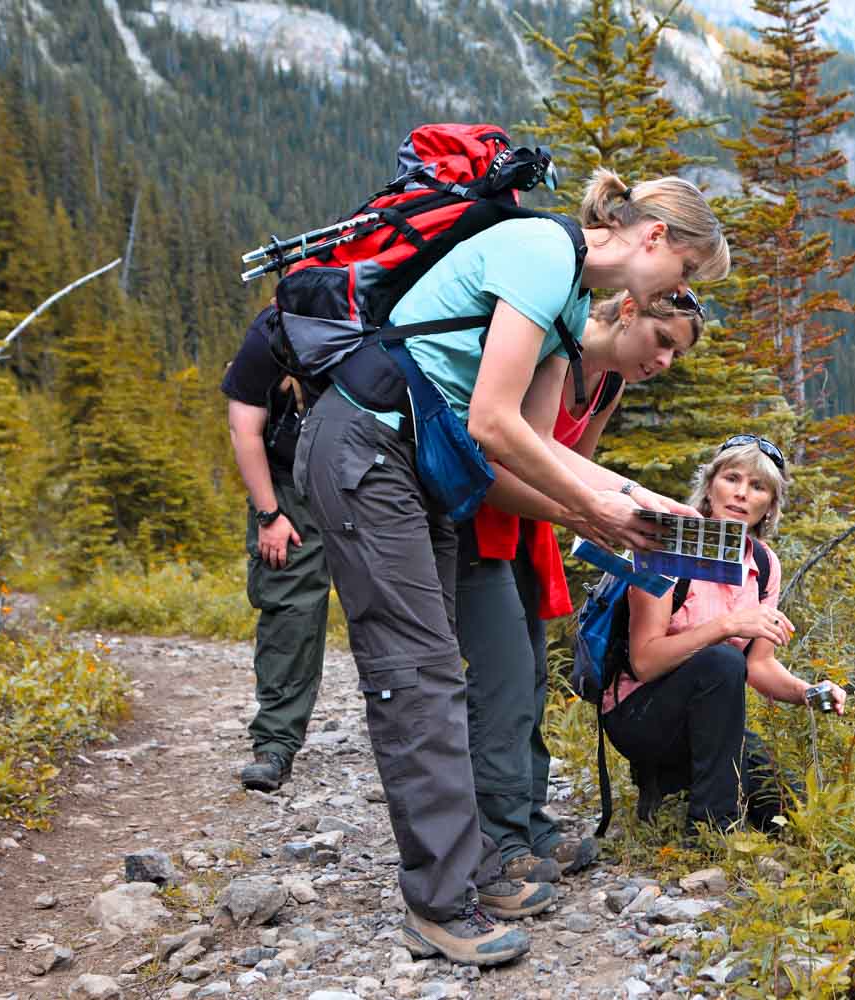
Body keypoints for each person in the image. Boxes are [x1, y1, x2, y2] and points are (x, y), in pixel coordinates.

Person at [294, 169, 728, 967]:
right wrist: (595, 513)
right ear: (656, 239)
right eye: (688, 274)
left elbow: (542, 456)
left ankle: (477, 865)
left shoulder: (564, 295)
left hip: (424, 468)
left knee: (446, 679)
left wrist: (657, 508)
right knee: (418, 673)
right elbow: (495, 423)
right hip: (366, 447)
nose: (681, 291)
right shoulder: (538, 251)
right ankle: (440, 901)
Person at [457, 289, 706, 886]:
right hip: (475, 518)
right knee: (504, 680)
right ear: (627, 310)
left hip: (527, 531)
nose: (664, 362)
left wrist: (630, 507)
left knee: (534, 676)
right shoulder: (553, 350)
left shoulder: (606, 384)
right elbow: (501, 463)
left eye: (676, 353)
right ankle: (499, 839)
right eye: (663, 341)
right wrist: (600, 509)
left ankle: (529, 824)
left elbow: (571, 474)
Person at [606, 434, 848, 837]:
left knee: (787, 806)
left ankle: (674, 782)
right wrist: (726, 627)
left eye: (758, 487)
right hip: (638, 714)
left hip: (709, 719)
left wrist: (809, 691)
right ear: (710, 485)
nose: (741, 494)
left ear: (769, 505)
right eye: (732, 478)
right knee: (720, 659)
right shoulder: (669, 545)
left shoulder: (765, 565)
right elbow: (644, 662)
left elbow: (760, 665)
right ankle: (712, 832)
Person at [221, 305, 330, 793]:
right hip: (288, 485)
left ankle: (419, 740)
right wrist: (269, 515)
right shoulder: (272, 332)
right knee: (292, 608)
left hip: (368, 473)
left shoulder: (374, 311)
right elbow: (244, 430)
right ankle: (276, 744)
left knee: (398, 606)